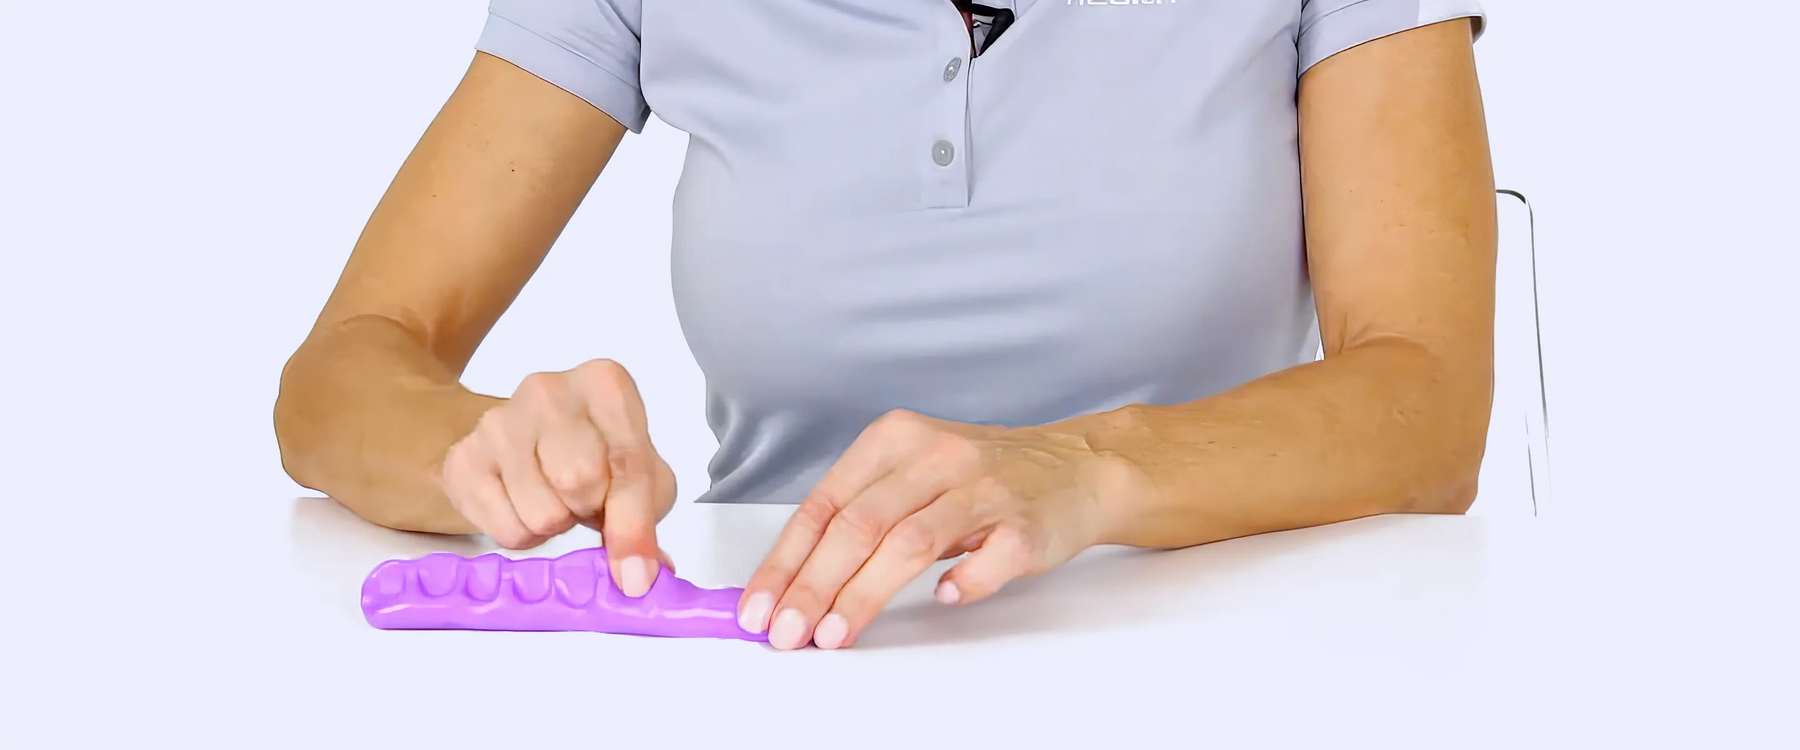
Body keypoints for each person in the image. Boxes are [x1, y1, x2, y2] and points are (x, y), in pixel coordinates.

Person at [275, 0, 1496, 651]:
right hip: (790, 666)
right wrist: (481, 447)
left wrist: (1086, 467)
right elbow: (338, 376)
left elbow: (1430, 405)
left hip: (1241, 660)